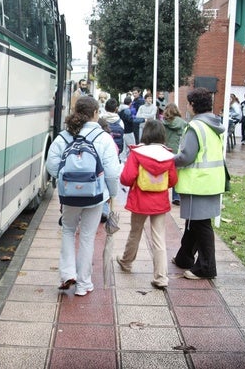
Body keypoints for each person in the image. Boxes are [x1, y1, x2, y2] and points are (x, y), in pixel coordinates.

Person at [46, 96, 121, 296]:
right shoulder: (103, 138)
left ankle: (67, 274)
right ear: (95, 113)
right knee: (87, 236)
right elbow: (113, 173)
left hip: (69, 195)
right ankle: (83, 284)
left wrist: (67, 183)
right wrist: (111, 194)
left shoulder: (64, 136)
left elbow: (51, 165)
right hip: (95, 196)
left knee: (69, 231)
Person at [116, 120, 178, 289]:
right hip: (159, 201)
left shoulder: (137, 153)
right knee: (159, 238)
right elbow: (172, 181)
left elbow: (126, 178)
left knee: (135, 232)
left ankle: (126, 262)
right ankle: (161, 277)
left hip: (140, 200)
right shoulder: (168, 155)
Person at [172, 87, 225, 280]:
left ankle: (206, 268)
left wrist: (169, 159)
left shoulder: (196, 126)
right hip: (211, 181)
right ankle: (184, 257)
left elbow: (186, 156)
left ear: (193, 105)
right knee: (195, 222)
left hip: (199, 182)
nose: (187, 106)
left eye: (188, 103)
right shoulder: (213, 124)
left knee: (201, 225)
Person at [162, 103, 187, 205]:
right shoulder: (182, 123)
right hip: (177, 151)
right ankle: (176, 197)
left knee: (163, 175)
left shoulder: (162, 123)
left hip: (164, 150)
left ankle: (162, 196)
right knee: (175, 174)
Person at [118, 96, 145, 162]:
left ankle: (123, 162)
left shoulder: (120, 110)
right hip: (128, 132)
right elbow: (131, 120)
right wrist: (143, 120)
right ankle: (130, 161)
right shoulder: (127, 110)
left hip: (122, 132)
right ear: (130, 103)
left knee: (124, 149)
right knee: (132, 147)